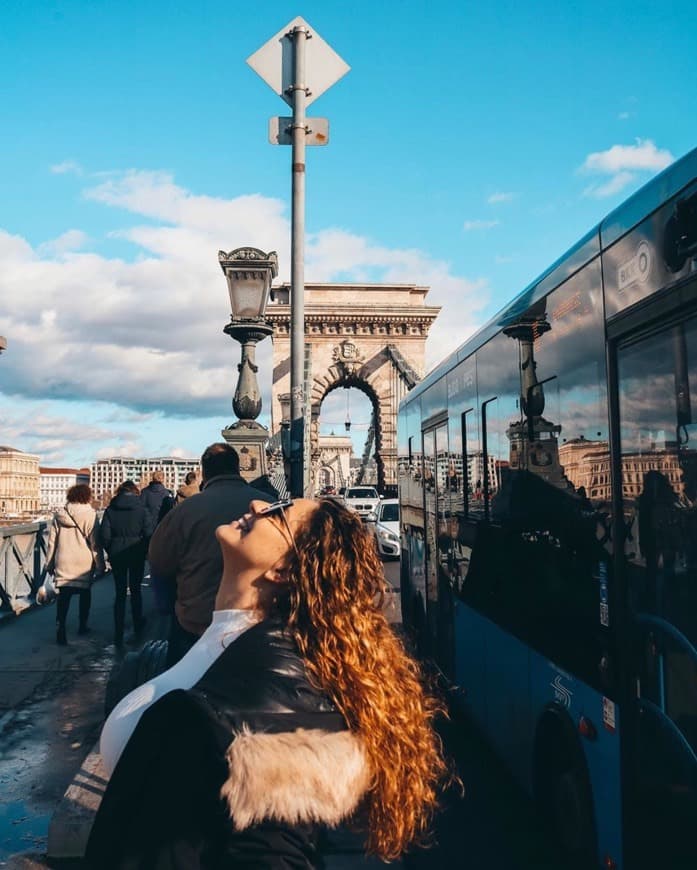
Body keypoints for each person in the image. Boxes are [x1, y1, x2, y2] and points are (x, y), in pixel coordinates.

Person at [87, 497, 450, 868]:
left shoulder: (282, 693)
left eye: (279, 511)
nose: (259, 503)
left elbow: (273, 854)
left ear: (282, 570)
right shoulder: (235, 646)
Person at [149, 443, 271, 665]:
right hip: (257, 629)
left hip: (197, 628)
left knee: (182, 693)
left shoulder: (184, 511)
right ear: (237, 468)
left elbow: (159, 563)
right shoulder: (267, 506)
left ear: (204, 472)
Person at [45, 484, 102, 645]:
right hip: (83, 562)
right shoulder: (90, 515)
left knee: (64, 597)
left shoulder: (60, 515)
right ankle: (82, 625)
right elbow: (95, 544)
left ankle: (60, 627)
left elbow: (52, 542)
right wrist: (100, 565)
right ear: (86, 496)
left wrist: (49, 564)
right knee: (85, 594)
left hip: (63, 560)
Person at [100, 480, 149, 646]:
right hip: (136, 553)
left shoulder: (110, 510)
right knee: (136, 590)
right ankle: (137, 625)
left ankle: (118, 631)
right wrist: (144, 549)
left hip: (117, 554)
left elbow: (105, 535)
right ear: (135, 492)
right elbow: (149, 532)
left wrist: (111, 550)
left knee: (120, 593)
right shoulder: (142, 510)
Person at [140, 469, 173, 537]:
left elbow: (141, 510)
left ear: (153, 478)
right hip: (162, 527)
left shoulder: (144, 492)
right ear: (163, 479)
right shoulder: (167, 493)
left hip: (146, 528)